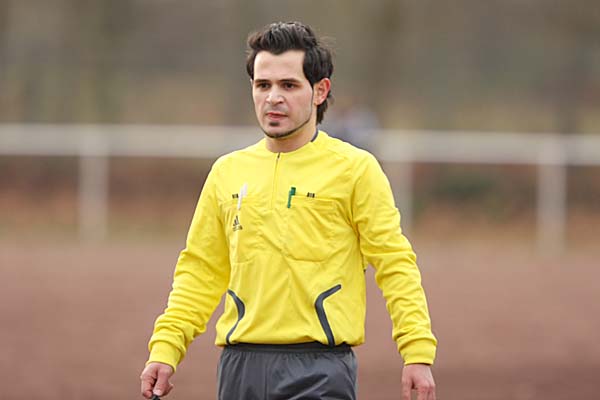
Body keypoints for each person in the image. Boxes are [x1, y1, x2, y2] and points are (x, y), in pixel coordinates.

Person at [140, 21, 437, 400]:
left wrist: (416, 351)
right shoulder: (226, 172)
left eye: (289, 85)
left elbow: (395, 263)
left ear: (320, 91)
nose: (273, 98)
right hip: (239, 368)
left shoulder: (355, 170)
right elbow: (200, 270)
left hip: (320, 370)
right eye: (263, 85)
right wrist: (165, 348)